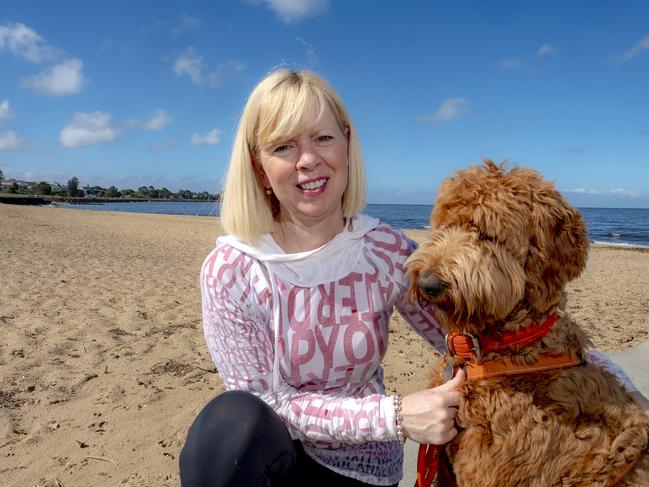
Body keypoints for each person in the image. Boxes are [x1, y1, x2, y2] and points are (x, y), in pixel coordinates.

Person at [179, 69, 647, 487]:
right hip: (276, 463)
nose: (307, 160)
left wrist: (604, 375)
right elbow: (269, 404)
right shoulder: (232, 271)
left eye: (321, 139)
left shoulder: (385, 251)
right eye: (284, 146)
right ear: (260, 167)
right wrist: (397, 416)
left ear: (346, 143)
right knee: (229, 427)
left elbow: (471, 338)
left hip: (361, 473)